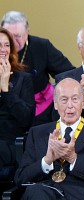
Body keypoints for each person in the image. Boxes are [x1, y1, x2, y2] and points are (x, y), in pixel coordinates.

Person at [15, 78, 84, 200]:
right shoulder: (38, 133)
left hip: (81, 195)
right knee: (36, 191)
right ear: (55, 104)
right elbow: (20, 179)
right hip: (44, 194)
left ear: (83, 102)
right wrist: (46, 161)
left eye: (75, 99)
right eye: (64, 100)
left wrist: (74, 159)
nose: (70, 106)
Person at [1, 11, 75, 126]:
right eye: (9, 36)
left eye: (17, 36)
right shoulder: (2, 51)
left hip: (41, 110)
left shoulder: (41, 46)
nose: (13, 41)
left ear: (27, 32)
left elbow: (68, 73)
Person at [0, 27, 35, 167]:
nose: (3, 49)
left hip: (10, 144)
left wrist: (6, 89)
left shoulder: (23, 79)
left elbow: (26, 119)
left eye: (7, 45)